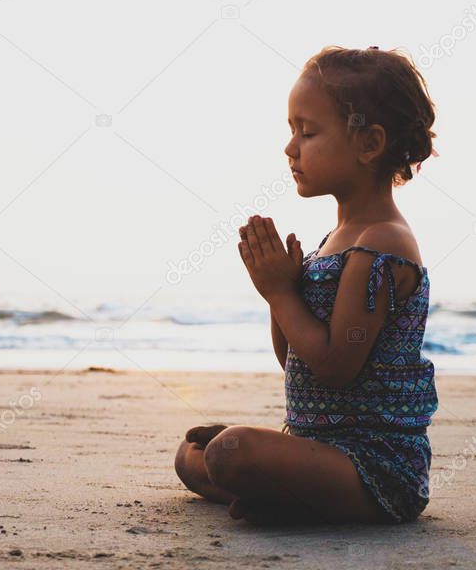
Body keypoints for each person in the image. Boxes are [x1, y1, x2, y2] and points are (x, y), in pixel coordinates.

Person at [174, 45, 439, 525]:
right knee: (190, 455)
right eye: (291, 130)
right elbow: (295, 359)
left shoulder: (381, 245)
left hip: (375, 468)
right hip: (316, 448)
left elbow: (336, 366)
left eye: (308, 132)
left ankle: (281, 492)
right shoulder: (334, 243)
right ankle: (280, 493)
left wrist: (279, 293)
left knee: (231, 452)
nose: (290, 147)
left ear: (369, 144)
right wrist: (284, 292)